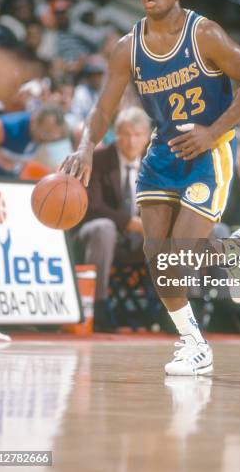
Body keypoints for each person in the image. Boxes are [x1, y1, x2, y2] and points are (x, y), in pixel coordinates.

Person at [60, 0, 240, 375]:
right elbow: (104, 107)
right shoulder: (128, 46)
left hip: (208, 152)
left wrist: (213, 131)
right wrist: (86, 145)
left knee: (178, 257)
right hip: (162, 155)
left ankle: (231, 252)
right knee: (159, 260)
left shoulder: (203, 33)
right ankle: (193, 342)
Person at [72, 107, 151, 332]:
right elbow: (94, 207)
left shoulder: (154, 163)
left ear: (146, 138)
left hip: (140, 239)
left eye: (137, 135)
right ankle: (97, 305)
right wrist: (131, 223)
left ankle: (168, 308)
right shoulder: (97, 159)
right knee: (104, 227)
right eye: (125, 134)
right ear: (116, 134)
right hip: (96, 234)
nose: (131, 140)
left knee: (167, 231)